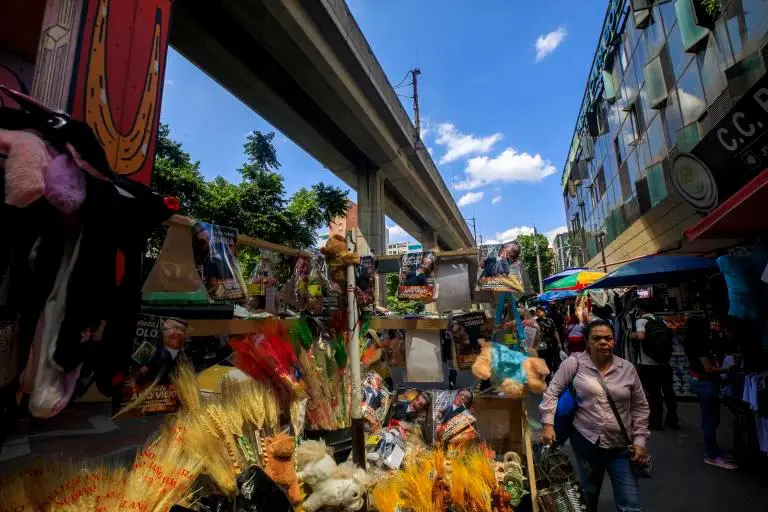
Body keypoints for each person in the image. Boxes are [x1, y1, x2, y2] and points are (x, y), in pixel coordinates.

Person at [541, 320, 650, 512]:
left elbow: (640, 406)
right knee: (588, 497)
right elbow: (552, 392)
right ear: (587, 341)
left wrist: (640, 441)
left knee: (630, 504)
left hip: (621, 447)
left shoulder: (627, 368)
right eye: (597, 338)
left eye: (608, 338)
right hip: (586, 443)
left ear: (614, 342)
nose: (603, 342)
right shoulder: (573, 364)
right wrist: (548, 424)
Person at [684, 316, 737, 470]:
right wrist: (729, 369)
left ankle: (714, 452)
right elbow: (708, 369)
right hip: (705, 383)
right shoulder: (699, 345)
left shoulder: (691, 342)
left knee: (709, 418)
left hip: (699, 381)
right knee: (710, 420)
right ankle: (713, 455)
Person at [631, 300, 679, 430]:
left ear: (640, 309)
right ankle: (672, 420)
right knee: (669, 392)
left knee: (654, 394)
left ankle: (656, 422)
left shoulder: (641, 321)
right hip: (664, 362)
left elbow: (641, 337)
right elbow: (671, 334)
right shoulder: (660, 320)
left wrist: (633, 335)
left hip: (649, 364)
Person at [535, 306, 561, 374]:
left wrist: (559, 342)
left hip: (550, 344)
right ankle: (545, 375)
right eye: (536, 312)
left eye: (538, 312)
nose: (537, 313)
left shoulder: (550, 321)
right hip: (540, 345)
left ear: (543, 312)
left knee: (550, 359)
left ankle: (550, 374)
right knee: (542, 360)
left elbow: (555, 332)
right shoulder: (536, 322)